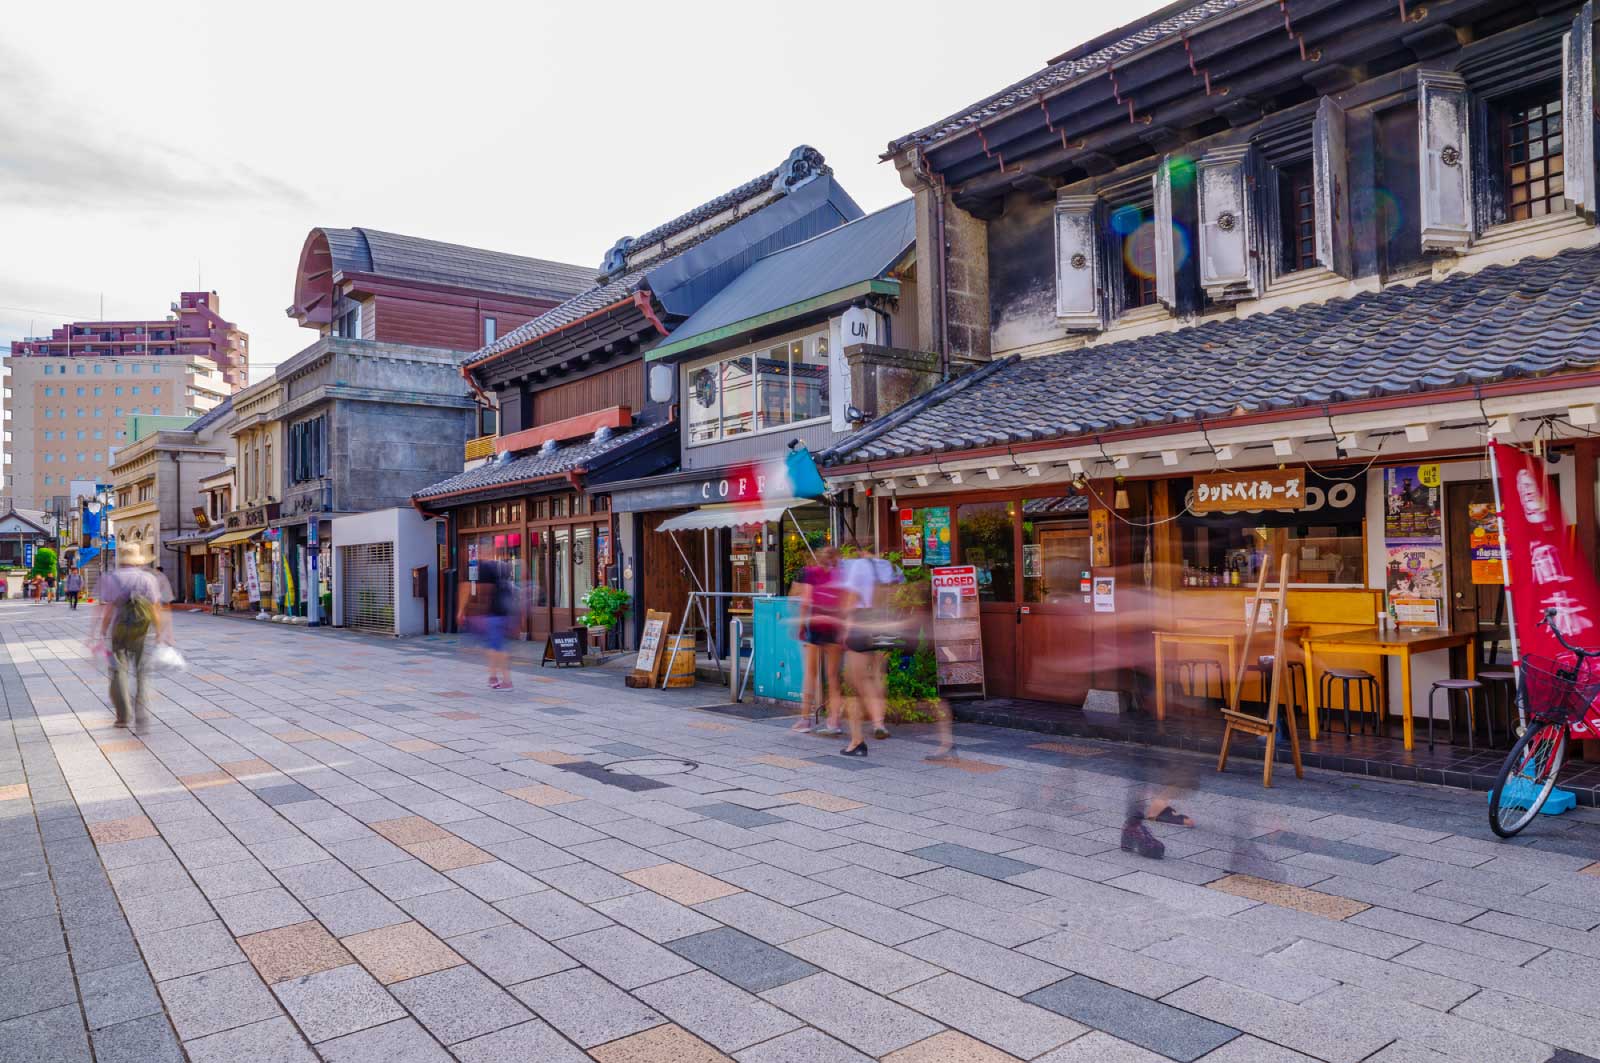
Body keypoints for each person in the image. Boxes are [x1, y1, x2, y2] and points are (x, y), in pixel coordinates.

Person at [839, 541, 904, 755]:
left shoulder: (858, 567)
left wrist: (845, 625)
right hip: (885, 622)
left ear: (860, 550)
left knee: (854, 680)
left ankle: (857, 741)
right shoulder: (890, 567)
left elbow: (852, 597)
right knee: (878, 674)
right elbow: (899, 594)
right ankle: (879, 722)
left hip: (862, 622)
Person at [93, 561, 173, 731]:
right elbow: (155, 607)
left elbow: (107, 608)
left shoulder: (112, 578)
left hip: (119, 631)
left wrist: (103, 629)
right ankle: (141, 713)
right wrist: (159, 631)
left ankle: (123, 716)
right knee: (142, 673)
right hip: (142, 632)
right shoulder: (147, 578)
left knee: (118, 672)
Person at [790, 545, 845, 736]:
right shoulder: (840, 575)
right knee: (833, 676)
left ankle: (805, 720)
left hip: (816, 625)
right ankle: (834, 721)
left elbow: (805, 601)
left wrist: (801, 626)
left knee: (810, 674)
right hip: (835, 627)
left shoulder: (811, 573)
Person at [458, 559, 518, 690]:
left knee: (497, 649)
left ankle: (507, 681)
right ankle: (493, 678)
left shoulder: (483, 567)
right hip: (502, 615)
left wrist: (461, 611)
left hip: (495, 616)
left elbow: (468, 587)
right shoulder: (500, 571)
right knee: (493, 647)